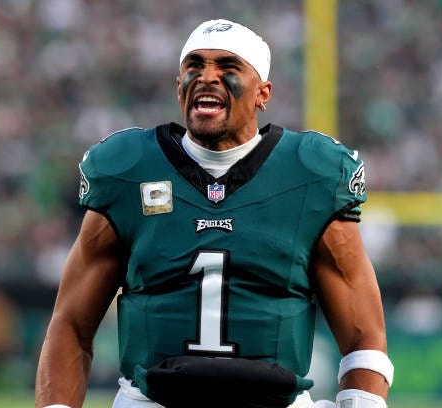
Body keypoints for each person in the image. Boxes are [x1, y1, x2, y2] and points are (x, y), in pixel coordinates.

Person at [35, 19, 393, 408]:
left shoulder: (311, 175)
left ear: (263, 93)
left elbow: (363, 334)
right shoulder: (129, 170)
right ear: (178, 86)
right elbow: (71, 323)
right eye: (194, 66)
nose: (207, 77)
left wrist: (362, 402)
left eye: (228, 67)